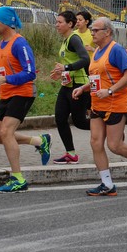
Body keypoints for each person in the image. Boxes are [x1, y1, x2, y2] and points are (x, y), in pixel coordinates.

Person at [72, 17, 127, 196]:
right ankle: (107, 184)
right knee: (95, 143)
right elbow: (97, 79)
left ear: (107, 32)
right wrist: (83, 88)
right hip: (97, 104)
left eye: (96, 30)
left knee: (115, 145)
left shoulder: (116, 49)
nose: (92, 33)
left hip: (114, 104)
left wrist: (110, 91)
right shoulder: (96, 52)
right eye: (92, 30)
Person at [0, 6, 51, 193]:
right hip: (7, 92)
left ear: (6, 23)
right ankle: (39, 141)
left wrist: (5, 80)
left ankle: (18, 179)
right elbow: (8, 70)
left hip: (23, 92)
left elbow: (30, 73)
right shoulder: (2, 44)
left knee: (6, 132)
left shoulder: (19, 43)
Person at [50, 11, 91, 164]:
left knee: (79, 122)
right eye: (56, 22)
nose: (57, 25)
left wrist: (66, 67)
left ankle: (110, 128)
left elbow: (85, 59)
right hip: (67, 84)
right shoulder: (65, 40)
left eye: (60, 22)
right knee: (60, 118)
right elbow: (68, 63)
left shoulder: (74, 39)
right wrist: (59, 73)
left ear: (70, 24)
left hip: (79, 85)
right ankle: (71, 153)